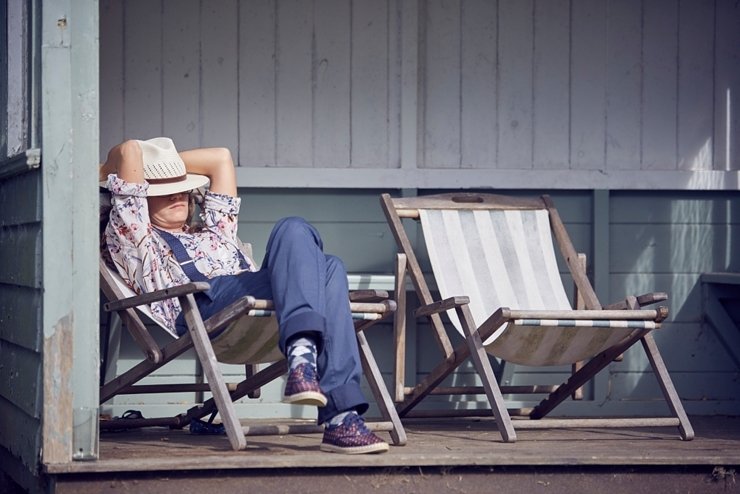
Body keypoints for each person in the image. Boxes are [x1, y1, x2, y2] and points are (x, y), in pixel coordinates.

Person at [100, 137, 389, 455]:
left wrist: (166, 164)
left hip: (252, 300)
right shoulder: (135, 238)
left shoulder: (214, 230)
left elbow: (220, 159)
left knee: (308, 244)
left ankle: (310, 369)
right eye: (162, 188)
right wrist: (114, 170)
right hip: (207, 308)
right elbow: (129, 152)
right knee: (329, 267)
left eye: (180, 185)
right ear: (142, 195)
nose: (177, 192)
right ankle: (340, 412)